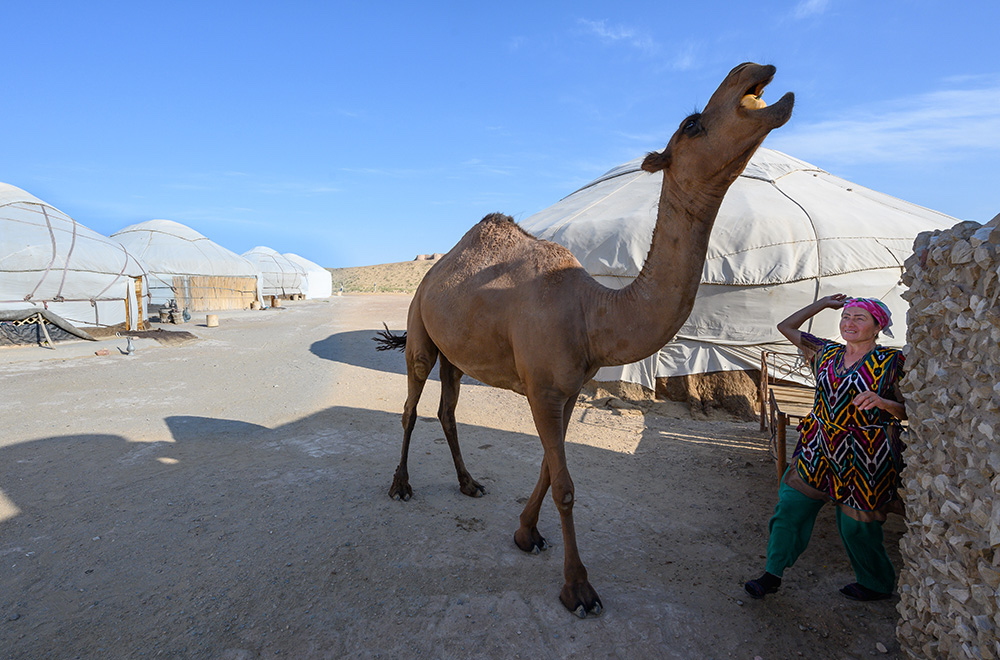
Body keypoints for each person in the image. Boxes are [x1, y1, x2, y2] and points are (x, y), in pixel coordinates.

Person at [745, 293, 907, 602]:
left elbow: (908, 410)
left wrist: (883, 402)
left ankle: (875, 583)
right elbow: (786, 326)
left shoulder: (892, 362)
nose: (849, 323)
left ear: (878, 327)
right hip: (818, 447)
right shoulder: (825, 352)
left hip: (867, 455)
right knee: (790, 508)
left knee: (857, 525)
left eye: (859, 318)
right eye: (846, 317)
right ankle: (772, 574)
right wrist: (822, 304)